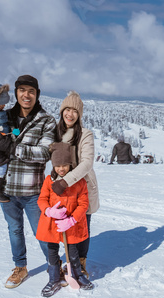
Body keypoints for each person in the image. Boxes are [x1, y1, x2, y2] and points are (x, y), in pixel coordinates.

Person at [0, 74, 56, 289]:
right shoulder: (5, 117)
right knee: (14, 230)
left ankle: (55, 267)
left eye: (31, 91)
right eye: (22, 90)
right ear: (16, 93)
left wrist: (13, 148)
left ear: (37, 95)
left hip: (33, 190)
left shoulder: (46, 121)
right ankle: (20, 267)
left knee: (42, 232)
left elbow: (44, 153)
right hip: (5, 188)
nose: (27, 95)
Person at [36, 142, 94, 297]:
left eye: (64, 165)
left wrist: (72, 219)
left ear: (70, 165)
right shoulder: (49, 180)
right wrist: (49, 211)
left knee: (73, 251)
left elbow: (83, 204)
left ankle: (77, 274)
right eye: (57, 165)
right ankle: (54, 278)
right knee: (52, 251)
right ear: (53, 165)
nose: (61, 169)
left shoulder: (79, 181)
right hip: (51, 223)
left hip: (71, 225)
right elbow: (42, 199)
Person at [53, 91, 100, 279]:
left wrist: (65, 181)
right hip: (61, 189)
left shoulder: (85, 135)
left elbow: (87, 163)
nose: (70, 114)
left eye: (74, 111)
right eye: (67, 110)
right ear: (62, 111)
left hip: (82, 187)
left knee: (82, 226)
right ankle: (68, 262)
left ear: (79, 114)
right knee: (64, 227)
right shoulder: (55, 133)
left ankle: (81, 264)